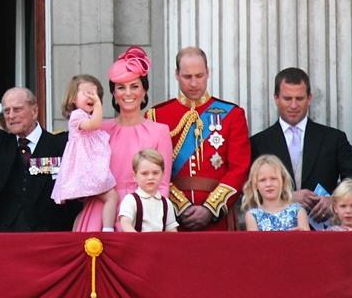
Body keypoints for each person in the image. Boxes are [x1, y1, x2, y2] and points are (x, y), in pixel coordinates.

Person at [0, 68, 81, 232]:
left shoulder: (60, 143)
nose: (10, 116)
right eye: (6, 111)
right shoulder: (0, 142)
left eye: (17, 109)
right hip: (3, 237)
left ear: (34, 111)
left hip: (48, 237)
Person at [148, 47, 251, 231]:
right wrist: (181, 206)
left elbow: (239, 169)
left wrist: (210, 209)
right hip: (173, 219)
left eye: (199, 75)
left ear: (208, 73)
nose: (194, 83)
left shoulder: (232, 115)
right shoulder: (157, 116)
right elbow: (152, 168)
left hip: (218, 219)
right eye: (187, 77)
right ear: (176, 75)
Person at [76, 47, 173, 231]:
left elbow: (162, 185)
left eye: (134, 86)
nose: (128, 93)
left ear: (144, 90)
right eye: (121, 87)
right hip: (101, 211)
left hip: (143, 213)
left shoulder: (160, 131)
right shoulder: (99, 129)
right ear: (113, 93)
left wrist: (154, 220)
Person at [250, 67, 352, 225]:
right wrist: (287, 197)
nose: (293, 105)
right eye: (287, 98)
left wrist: (333, 200)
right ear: (276, 98)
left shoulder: (334, 138)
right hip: (277, 235)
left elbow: (350, 179)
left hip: (326, 232)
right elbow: (249, 193)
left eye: (299, 98)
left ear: (309, 98)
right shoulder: (258, 143)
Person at [51, 75, 118, 231]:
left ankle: (77, 231)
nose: (92, 97)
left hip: (88, 168)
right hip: (85, 170)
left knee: (86, 207)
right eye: (87, 93)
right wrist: (99, 105)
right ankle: (108, 228)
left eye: (95, 93)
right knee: (112, 196)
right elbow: (94, 124)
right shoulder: (77, 116)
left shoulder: (85, 116)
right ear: (74, 98)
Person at [241, 155, 309, 231]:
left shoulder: (299, 211)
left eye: (273, 178)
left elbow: (307, 241)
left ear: (283, 180)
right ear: (255, 184)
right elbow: (254, 242)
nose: (268, 184)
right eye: (262, 180)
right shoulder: (252, 216)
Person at [118, 149, 178, 232]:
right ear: (134, 176)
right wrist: (138, 240)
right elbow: (125, 223)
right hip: (136, 244)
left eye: (155, 173)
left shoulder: (166, 203)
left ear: (163, 174)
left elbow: (172, 230)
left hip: (160, 244)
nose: (150, 177)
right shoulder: (130, 200)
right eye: (144, 173)